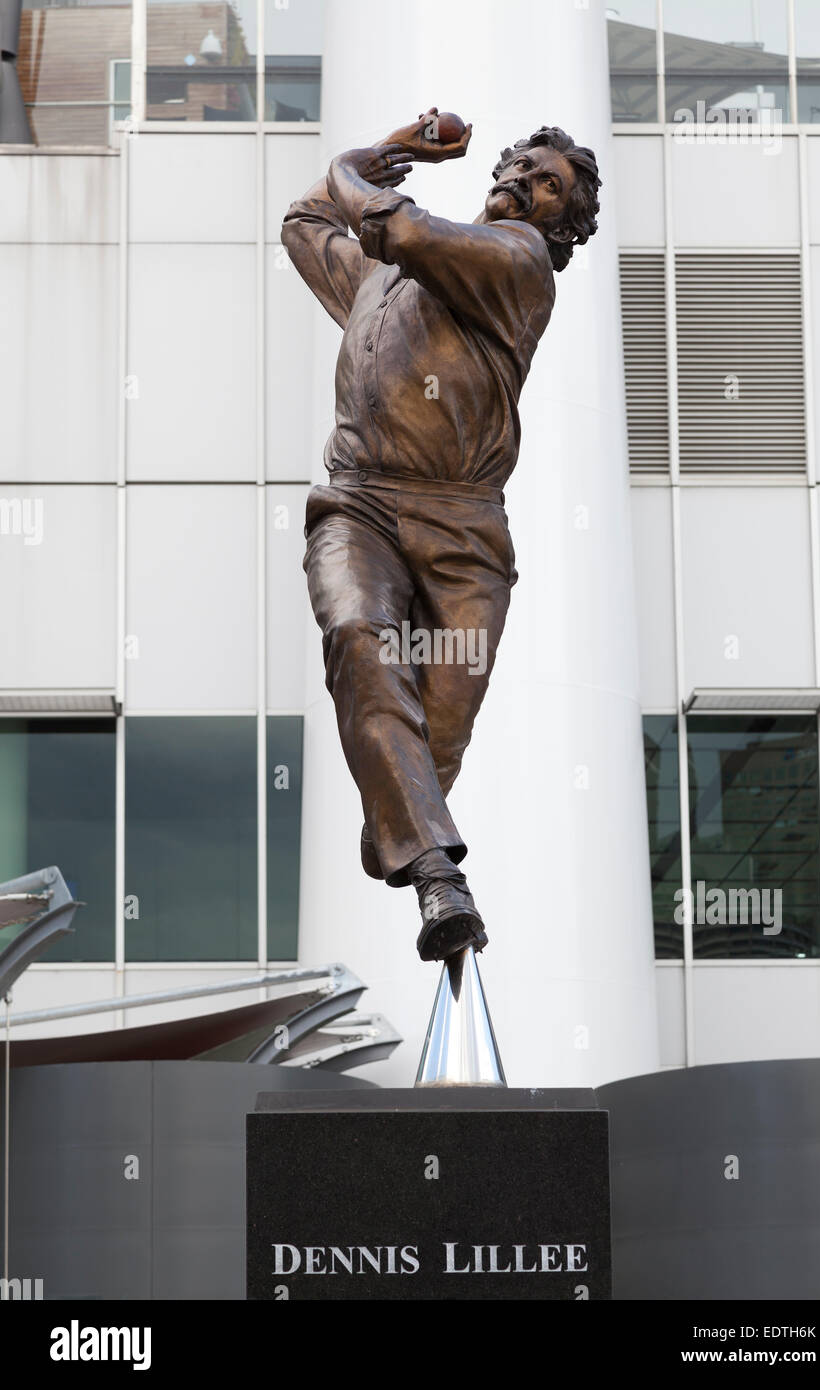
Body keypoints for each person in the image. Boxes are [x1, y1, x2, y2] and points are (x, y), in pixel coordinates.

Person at [282, 107, 601, 962]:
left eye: (548, 185)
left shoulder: (517, 262)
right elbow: (307, 223)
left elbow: (390, 223)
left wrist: (360, 167)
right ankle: (435, 874)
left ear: (560, 222)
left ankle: (396, 810)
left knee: (437, 736)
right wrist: (390, 150)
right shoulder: (382, 277)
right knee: (360, 638)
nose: (524, 182)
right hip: (359, 504)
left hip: (463, 531)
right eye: (521, 166)